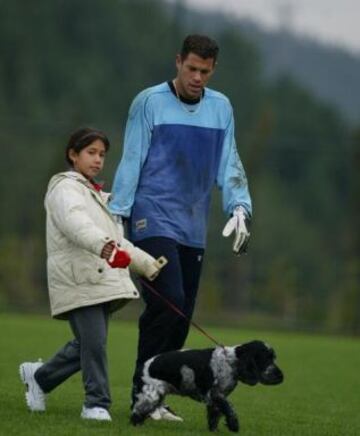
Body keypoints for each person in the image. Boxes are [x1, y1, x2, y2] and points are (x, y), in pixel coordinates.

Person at [109, 34, 252, 422]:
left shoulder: (221, 108)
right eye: (191, 68)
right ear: (178, 62)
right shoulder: (149, 102)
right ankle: (143, 393)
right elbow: (132, 158)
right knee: (167, 297)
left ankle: (158, 396)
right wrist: (118, 215)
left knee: (181, 312)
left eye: (205, 71)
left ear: (213, 70)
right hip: (150, 215)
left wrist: (240, 206)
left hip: (192, 224)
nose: (197, 77)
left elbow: (230, 163)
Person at [19, 127, 166, 421]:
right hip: (77, 278)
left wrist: (147, 265)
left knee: (88, 344)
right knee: (95, 343)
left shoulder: (98, 195)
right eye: (91, 153)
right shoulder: (64, 189)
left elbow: (118, 239)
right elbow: (77, 226)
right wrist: (107, 249)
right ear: (72, 155)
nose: (98, 160)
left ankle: (40, 377)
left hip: (99, 278)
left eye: (102, 154)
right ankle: (95, 404)